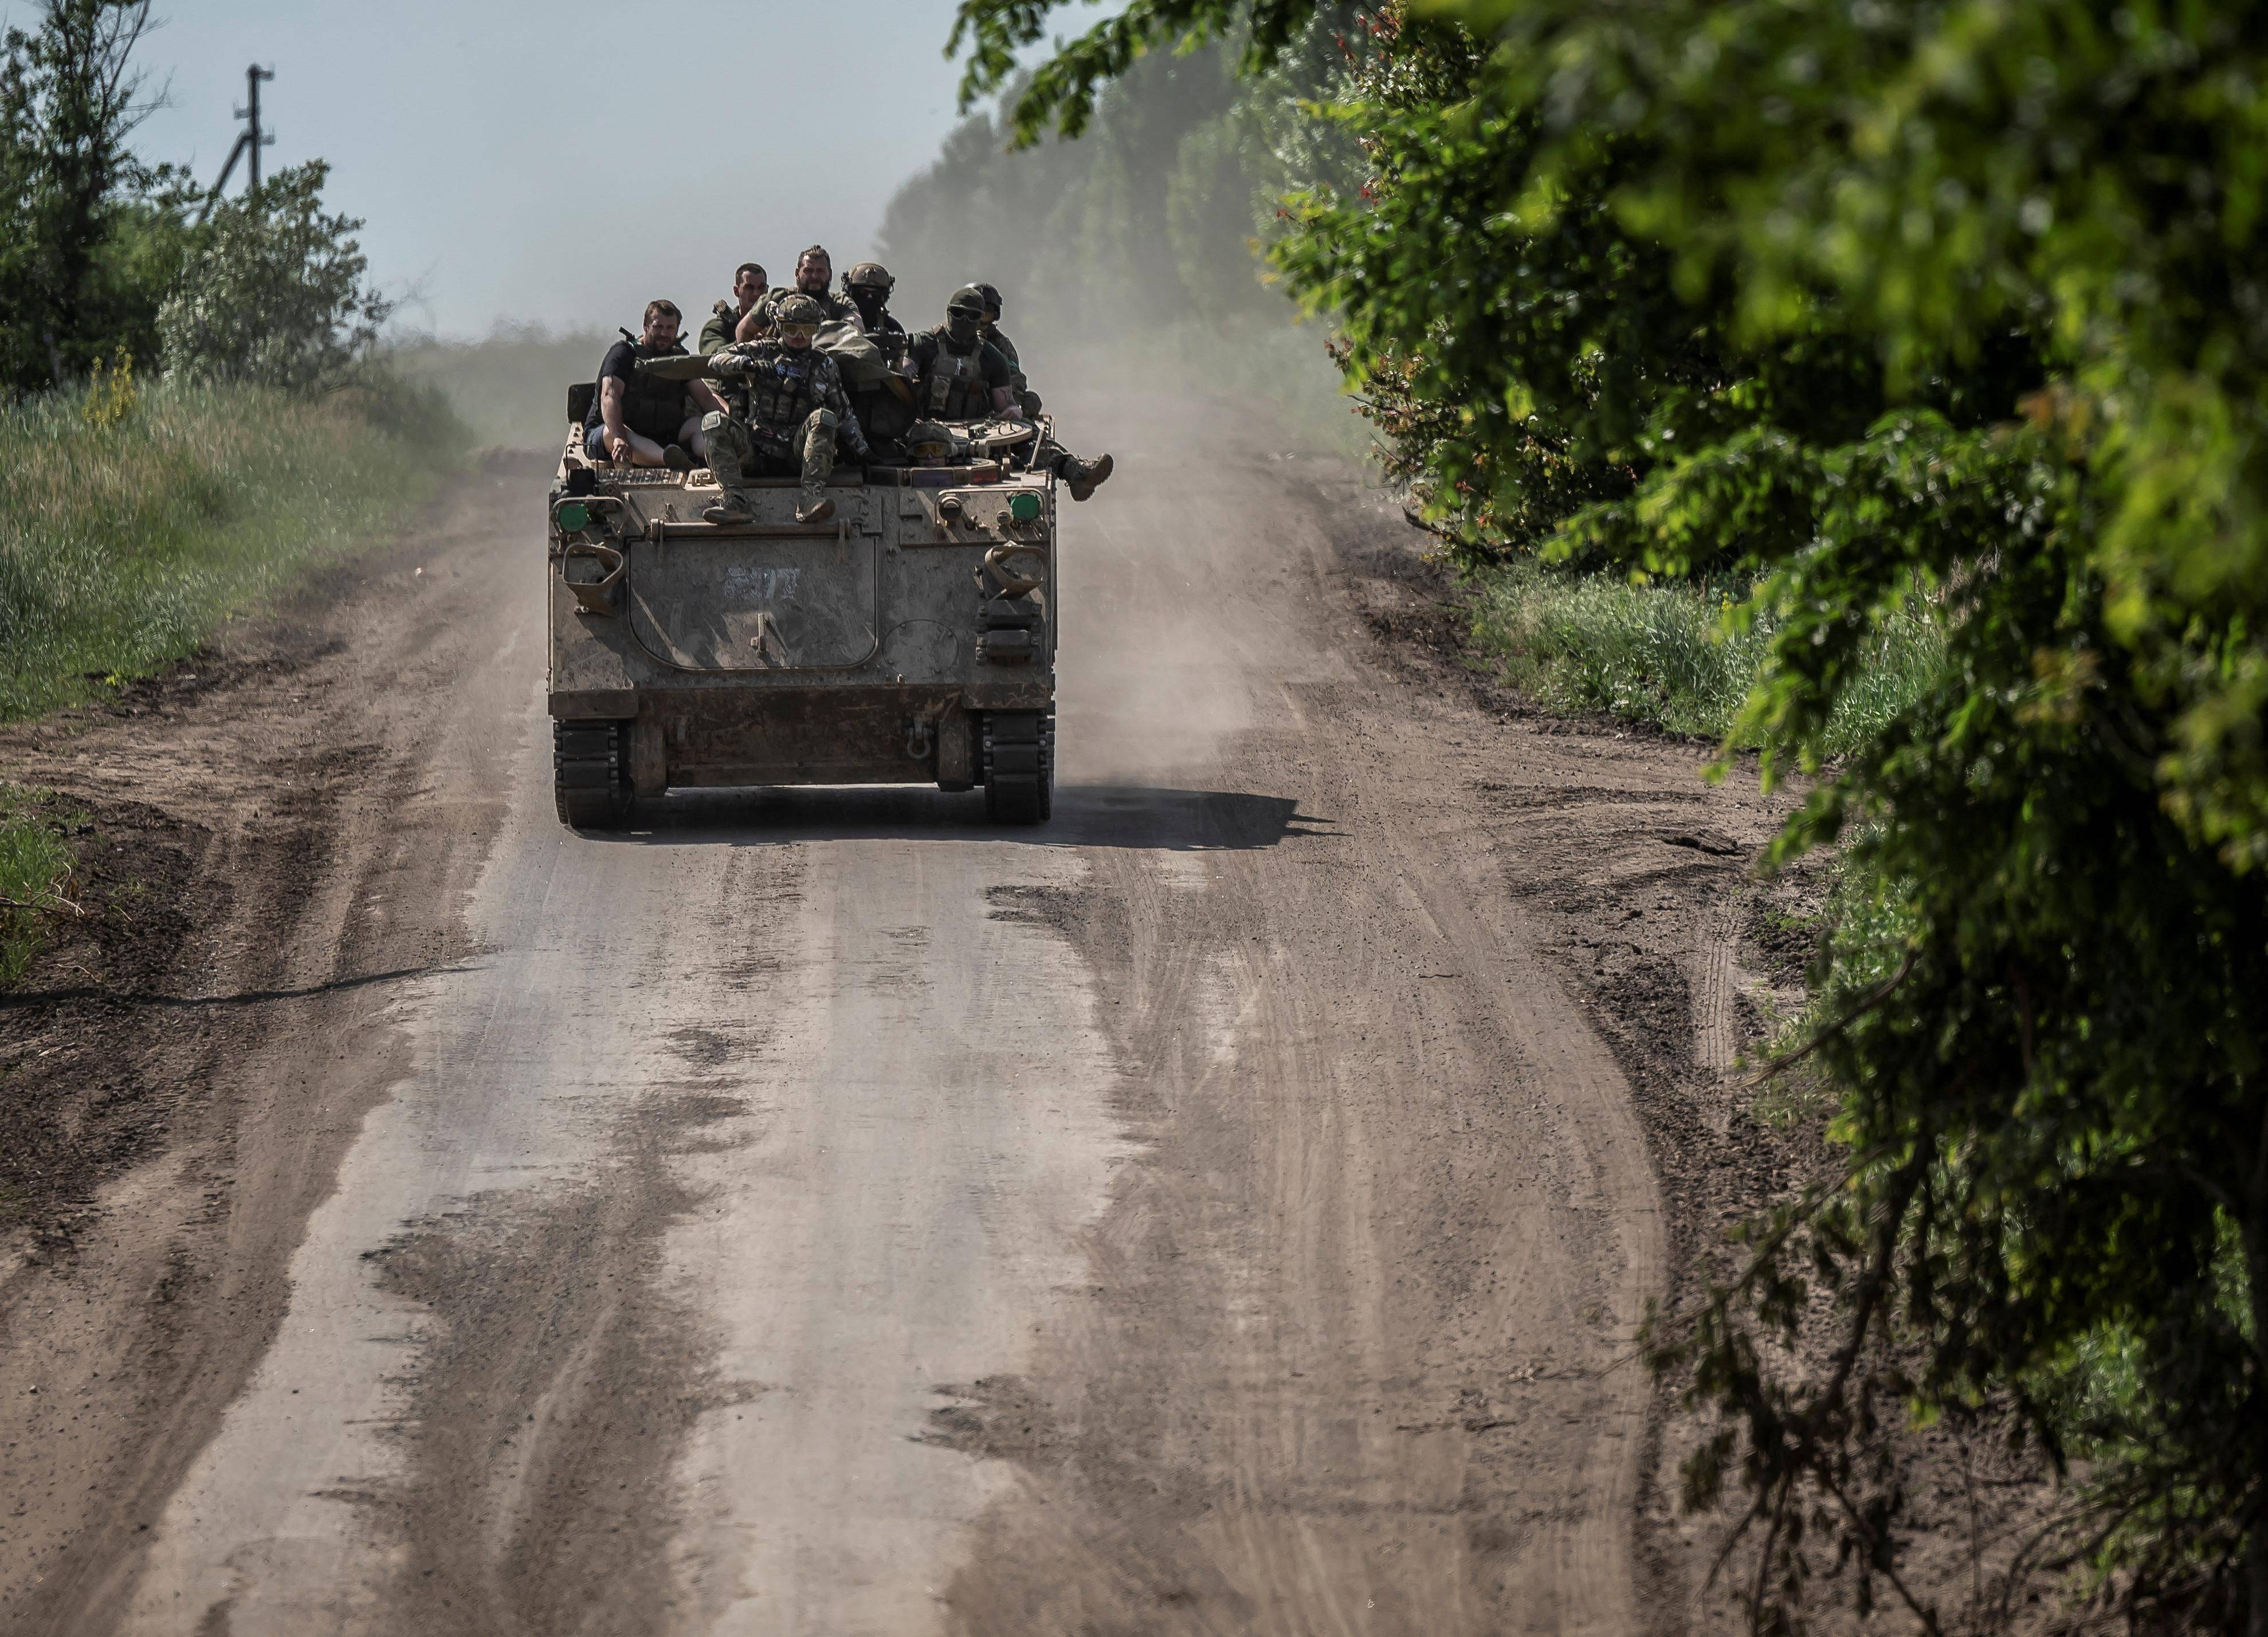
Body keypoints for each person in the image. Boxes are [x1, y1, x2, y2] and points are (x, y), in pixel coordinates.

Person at [911, 285, 1114, 500]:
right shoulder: (925, 343)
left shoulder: (995, 353)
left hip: (980, 425)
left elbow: (1009, 395)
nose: (967, 322)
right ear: (949, 312)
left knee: (1027, 431)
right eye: (959, 314)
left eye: (976, 316)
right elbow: (902, 381)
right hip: (926, 423)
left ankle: (1075, 472)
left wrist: (1012, 414)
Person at [689, 293, 872, 526]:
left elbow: (844, 412)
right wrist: (748, 364)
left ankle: (810, 498)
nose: (799, 336)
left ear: (816, 329)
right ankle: (734, 501)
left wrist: (864, 450)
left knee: (825, 417)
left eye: (806, 329)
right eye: (792, 328)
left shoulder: (824, 365)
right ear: (780, 327)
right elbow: (715, 360)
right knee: (713, 422)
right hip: (755, 448)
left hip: (796, 453)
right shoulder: (761, 350)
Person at [586, 300, 724, 468]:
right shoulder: (623, 354)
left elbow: (706, 398)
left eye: (670, 328)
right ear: (646, 326)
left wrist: (732, 427)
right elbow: (609, 396)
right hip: (617, 434)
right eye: (658, 327)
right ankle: (671, 461)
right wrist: (619, 438)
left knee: (699, 424)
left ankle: (718, 455)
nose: (664, 334)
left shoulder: (679, 358)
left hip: (667, 436)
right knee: (613, 432)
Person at [842, 261, 915, 452]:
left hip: (879, 407)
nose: (868, 298)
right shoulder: (836, 322)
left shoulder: (892, 328)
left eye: (875, 294)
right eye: (862, 293)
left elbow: (900, 366)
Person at [974, 283, 1039, 417]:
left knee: (1031, 402)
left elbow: (1014, 378)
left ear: (994, 316)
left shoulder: (1001, 345)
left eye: (985, 315)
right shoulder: (944, 340)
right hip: (946, 407)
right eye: (975, 314)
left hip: (989, 409)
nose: (979, 321)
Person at [759, 245, 857, 327]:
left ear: (830, 274)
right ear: (797, 273)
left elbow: (857, 327)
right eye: (808, 271)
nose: (814, 276)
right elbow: (745, 329)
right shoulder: (778, 298)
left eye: (820, 271)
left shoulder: (840, 302)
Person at [700, 261, 768, 354]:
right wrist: (746, 340)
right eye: (749, 288)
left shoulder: (778, 323)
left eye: (761, 287)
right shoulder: (719, 327)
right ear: (736, 291)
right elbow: (712, 356)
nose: (756, 293)